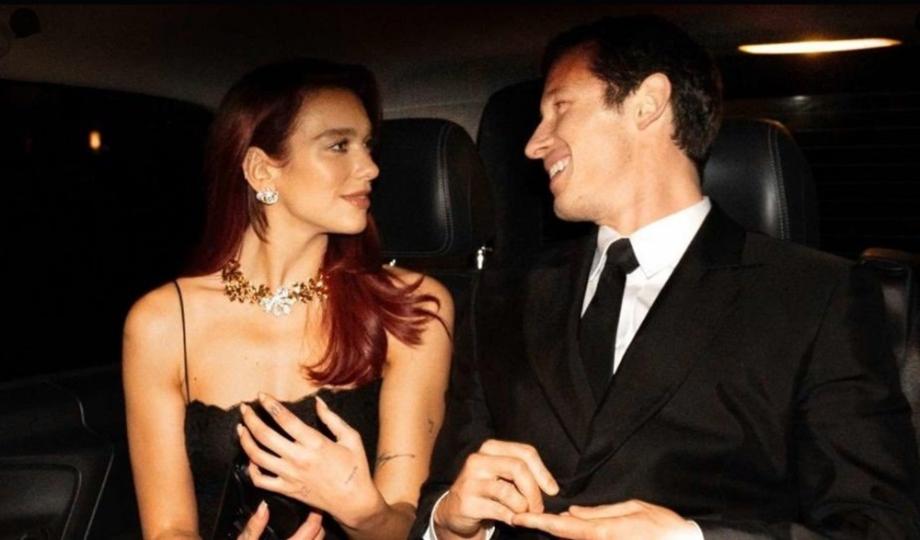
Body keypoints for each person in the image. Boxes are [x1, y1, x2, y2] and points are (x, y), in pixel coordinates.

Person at [413, 15, 920, 540]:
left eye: (559, 107)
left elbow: (881, 526)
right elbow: (444, 495)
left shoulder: (814, 298)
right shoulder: (502, 297)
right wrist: (449, 524)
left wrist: (689, 538)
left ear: (648, 103)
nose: (535, 144)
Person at [123, 58, 453, 540]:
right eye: (339, 145)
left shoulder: (409, 307)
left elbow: (406, 523)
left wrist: (362, 512)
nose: (370, 168)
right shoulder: (163, 322)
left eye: (367, 145)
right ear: (262, 170)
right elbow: (168, 528)